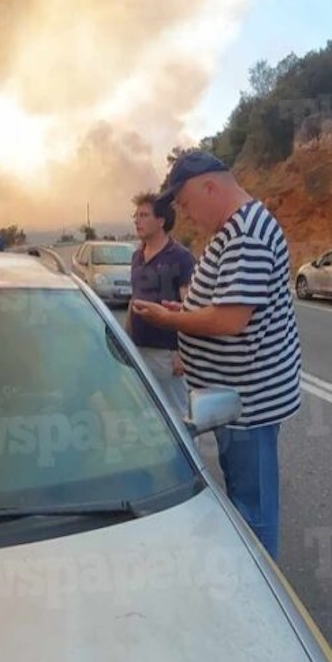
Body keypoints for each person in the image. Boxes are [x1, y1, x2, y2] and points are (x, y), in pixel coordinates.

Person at [131, 151, 301, 558]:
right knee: (244, 498)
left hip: (250, 404)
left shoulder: (248, 234)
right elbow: (220, 304)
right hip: (232, 400)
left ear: (210, 187)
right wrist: (183, 311)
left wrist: (168, 320)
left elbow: (229, 320)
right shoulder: (232, 231)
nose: (186, 216)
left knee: (254, 510)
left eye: (187, 205)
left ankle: (262, 598)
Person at [128, 190, 195, 418]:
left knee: (177, 415)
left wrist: (182, 352)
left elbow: (189, 306)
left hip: (167, 353)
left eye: (144, 215)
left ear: (161, 221)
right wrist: (125, 340)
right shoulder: (137, 256)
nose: (137, 220)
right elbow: (133, 299)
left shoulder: (181, 257)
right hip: (138, 349)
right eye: (136, 215)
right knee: (144, 412)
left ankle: (184, 454)